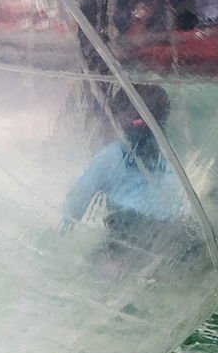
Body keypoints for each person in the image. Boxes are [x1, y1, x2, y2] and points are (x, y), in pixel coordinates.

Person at [60, 85, 197, 270]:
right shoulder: (169, 153)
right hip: (176, 228)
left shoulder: (111, 156)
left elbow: (78, 197)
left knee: (98, 267)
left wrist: (66, 224)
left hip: (131, 228)